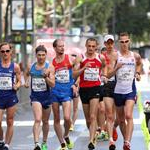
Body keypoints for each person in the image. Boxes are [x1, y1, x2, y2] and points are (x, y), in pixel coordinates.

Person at [109, 32, 142, 150]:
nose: (124, 44)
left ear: (129, 41)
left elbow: (139, 64)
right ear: (119, 43)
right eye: (122, 42)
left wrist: (137, 73)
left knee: (128, 115)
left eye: (126, 41)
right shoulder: (115, 56)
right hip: (118, 91)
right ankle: (123, 137)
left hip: (130, 90)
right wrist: (116, 67)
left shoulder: (135, 55)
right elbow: (108, 75)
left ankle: (127, 142)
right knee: (121, 119)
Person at [73, 38, 107, 150]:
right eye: (89, 46)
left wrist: (103, 75)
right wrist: (83, 68)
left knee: (93, 116)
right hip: (84, 89)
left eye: (93, 46)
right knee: (88, 119)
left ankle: (91, 141)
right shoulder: (80, 58)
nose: (91, 48)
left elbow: (104, 66)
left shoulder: (100, 57)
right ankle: (93, 132)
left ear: (96, 47)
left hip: (96, 88)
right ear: (86, 46)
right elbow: (74, 75)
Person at [24, 45, 55, 150]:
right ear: (36, 55)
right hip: (35, 97)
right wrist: (27, 81)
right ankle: (36, 143)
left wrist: (46, 77)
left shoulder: (50, 67)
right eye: (39, 55)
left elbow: (53, 84)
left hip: (46, 97)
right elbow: (26, 74)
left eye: (43, 55)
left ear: (46, 55)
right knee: (38, 119)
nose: (41, 57)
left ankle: (44, 142)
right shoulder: (31, 66)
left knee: (45, 121)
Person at [51, 39, 75, 150]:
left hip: (66, 92)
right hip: (55, 92)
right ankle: (62, 143)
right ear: (55, 48)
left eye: (63, 46)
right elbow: (51, 78)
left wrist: (75, 84)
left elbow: (76, 72)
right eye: (59, 46)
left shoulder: (69, 58)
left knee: (67, 118)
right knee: (56, 119)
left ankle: (66, 135)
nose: (62, 48)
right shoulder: (52, 63)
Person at [0, 42, 21, 150]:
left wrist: (16, 86)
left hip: (10, 97)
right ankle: (1, 140)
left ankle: (7, 145)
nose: (5, 53)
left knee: (10, 121)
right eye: (2, 51)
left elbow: (19, 81)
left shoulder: (15, 66)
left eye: (7, 51)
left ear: (11, 52)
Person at [102, 34, 118, 150]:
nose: (109, 45)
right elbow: (102, 72)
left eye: (111, 42)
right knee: (109, 114)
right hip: (106, 86)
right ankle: (111, 140)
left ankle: (113, 128)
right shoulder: (101, 57)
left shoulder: (118, 55)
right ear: (104, 44)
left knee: (118, 116)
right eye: (107, 43)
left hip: (118, 86)